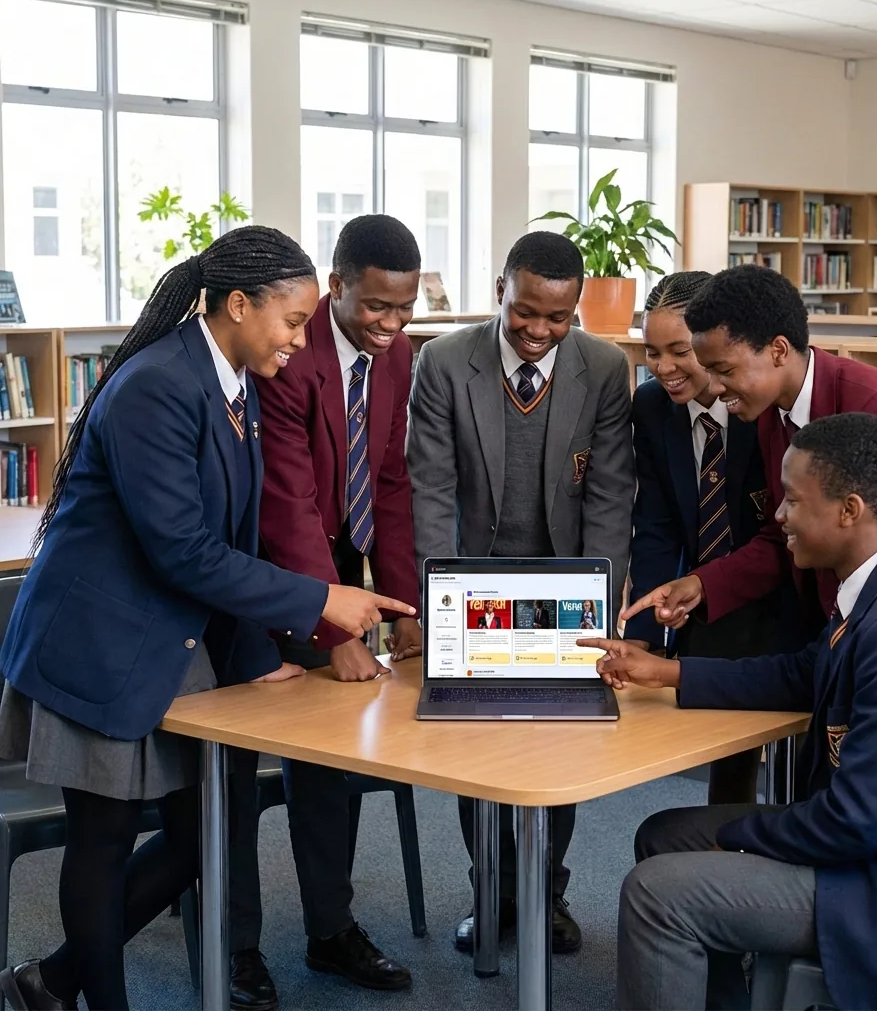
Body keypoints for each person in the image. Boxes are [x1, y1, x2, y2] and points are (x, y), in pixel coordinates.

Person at [0, 227, 415, 1011]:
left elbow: (235, 534)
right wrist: (320, 600)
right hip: (97, 642)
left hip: (169, 637)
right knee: (103, 841)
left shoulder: (235, 384)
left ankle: (49, 983)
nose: (301, 340)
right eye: (292, 321)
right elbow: (184, 551)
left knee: (203, 838)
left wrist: (255, 654)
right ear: (239, 305)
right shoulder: (157, 385)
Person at [583, 412, 877, 1011]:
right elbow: (802, 673)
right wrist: (668, 671)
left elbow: (855, 823)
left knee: (657, 894)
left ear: (849, 510)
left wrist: (737, 837)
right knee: (663, 835)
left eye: (794, 501)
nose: (778, 515)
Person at [407, 229, 634, 954]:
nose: (539, 330)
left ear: (577, 309)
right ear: (500, 289)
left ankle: (547, 895)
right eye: (526, 312)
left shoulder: (606, 367)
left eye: (558, 318)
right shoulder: (443, 362)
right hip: (471, 584)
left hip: (566, 586)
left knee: (562, 743)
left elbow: (609, 496)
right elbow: (431, 491)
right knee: (473, 745)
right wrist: (441, 604)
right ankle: (491, 892)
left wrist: (599, 604)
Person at [625, 263, 877, 674]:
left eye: (724, 371)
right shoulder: (769, 412)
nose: (716, 388)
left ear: (778, 351)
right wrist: (702, 585)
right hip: (859, 630)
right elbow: (783, 536)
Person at [228, 215, 422, 1007]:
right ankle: (236, 946)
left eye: (405, 308)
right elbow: (288, 499)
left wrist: (405, 604)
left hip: (336, 565)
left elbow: (391, 480)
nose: (391, 324)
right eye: (376, 306)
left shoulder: (398, 355)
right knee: (233, 770)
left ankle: (330, 930)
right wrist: (332, 625)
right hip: (258, 576)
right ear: (337, 286)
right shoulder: (289, 351)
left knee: (331, 759)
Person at [626, 270, 800, 804]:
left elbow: (780, 532)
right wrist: (645, 625)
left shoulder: (762, 403)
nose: (664, 368)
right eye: (652, 352)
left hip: (780, 596)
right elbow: (655, 525)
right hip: (703, 599)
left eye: (680, 351)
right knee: (720, 763)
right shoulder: (652, 407)